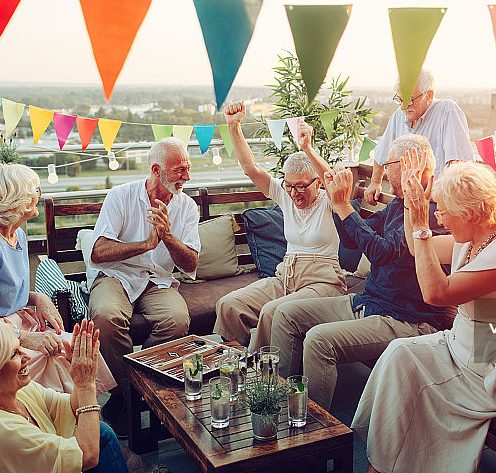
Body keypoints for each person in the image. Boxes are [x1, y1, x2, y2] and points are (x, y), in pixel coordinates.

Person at [352, 158, 496, 473]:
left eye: (442, 210)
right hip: (466, 349)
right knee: (399, 353)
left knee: (413, 382)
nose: (438, 218)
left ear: (468, 213)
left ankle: (386, 467)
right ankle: (385, 462)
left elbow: (435, 293)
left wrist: (421, 224)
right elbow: (417, 249)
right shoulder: (478, 239)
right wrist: (414, 213)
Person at [269, 134, 455, 410]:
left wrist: (345, 207)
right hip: (370, 303)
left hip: (404, 317)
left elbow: (382, 252)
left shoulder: (429, 210)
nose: (382, 168)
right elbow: (353, 241)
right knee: (285, 315)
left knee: (319, 341)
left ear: (405, 164)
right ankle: (278, 402)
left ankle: (312, 432)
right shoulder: (397, 204)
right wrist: (337, 202)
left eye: (387, 162)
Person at [0, 163, 115, 395]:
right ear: (15, 199)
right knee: (57, 355)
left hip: (3, 322)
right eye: (35, 190)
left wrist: (37, 298)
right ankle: (56, 417)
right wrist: (26, 338)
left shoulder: (15, 234)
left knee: (72, 349)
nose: (39, 195)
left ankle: (74, 414)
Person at [88, 136, 200, 435]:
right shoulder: (120, 196)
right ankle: (130, 396)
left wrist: (167, 236)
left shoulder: (187, 207)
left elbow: (190, 264)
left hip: (158, 281)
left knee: (176, 320)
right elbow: (98, 252)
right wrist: (145, 244)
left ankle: (134, 391)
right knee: (106, 317)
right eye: (180, 170)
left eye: (188, 169)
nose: (186, 177)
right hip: (117, 275)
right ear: (156, 169)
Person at [213, 101, 346, 352]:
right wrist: (234, 127)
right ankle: (235, 361)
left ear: (316, 183)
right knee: (229, 304)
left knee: (272, 312)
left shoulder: (330, 199)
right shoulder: (285, 195)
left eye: (301, 186)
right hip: (286, 276)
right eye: (289, 185)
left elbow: (332, 180)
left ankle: (262, 376)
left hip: (323, 283)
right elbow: (250, 168)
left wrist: (307, 149)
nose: (294, 193)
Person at [0, 319, 129, 473]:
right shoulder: (1, 431)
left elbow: (73, 409)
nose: (26, 356)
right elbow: (87, 456)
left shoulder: (16, 392)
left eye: (20, 348)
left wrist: (80, 380)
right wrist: (86, 384)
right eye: (14, 354)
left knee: (101, 433)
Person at [364, 69, 474, 206]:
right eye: (400, 100)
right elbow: (381, 153)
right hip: (403, 199)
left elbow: (459, 164)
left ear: (429, 95)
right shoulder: (399, 115)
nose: (404, 107)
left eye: (410, 101)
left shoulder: (447, 110)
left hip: (435, 202)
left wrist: (445, 207)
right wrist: (375, 182)